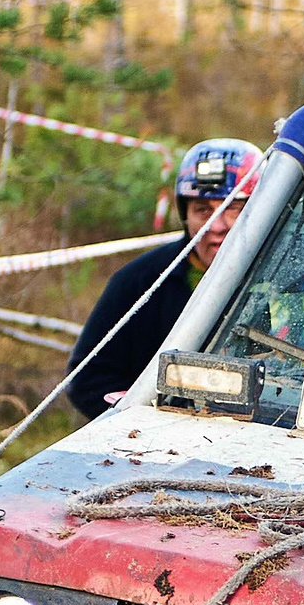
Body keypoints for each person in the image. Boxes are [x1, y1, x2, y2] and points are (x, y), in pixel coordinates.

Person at [63, 138, 260, 420]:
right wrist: (147, 428)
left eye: (233, 208)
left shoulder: (292, 284)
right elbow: (88, 380)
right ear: (185, 216)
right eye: (202, 210)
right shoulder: (140, 283)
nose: (217, 225)